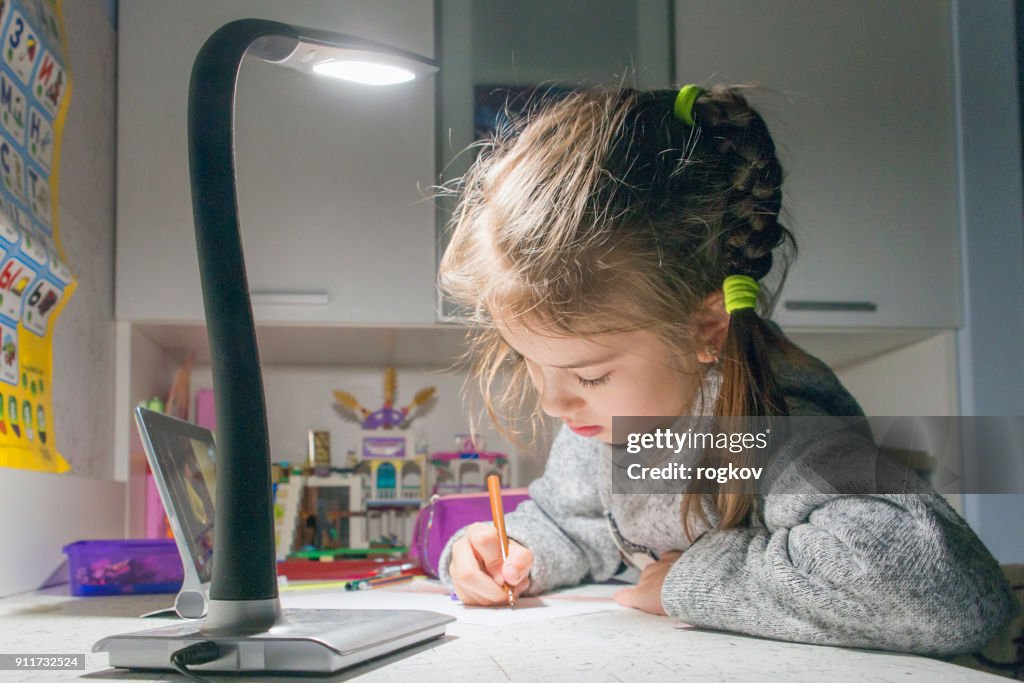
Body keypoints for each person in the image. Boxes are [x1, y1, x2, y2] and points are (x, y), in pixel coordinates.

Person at [435, 84, 1018, 656]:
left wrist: (692, 581)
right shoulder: (609, 422)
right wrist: (505, 552)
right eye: (531, 365)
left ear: (705, 327)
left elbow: (942, 594)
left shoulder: (775, 426)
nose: (555, 404)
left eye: (588, 376)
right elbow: (572, 522)